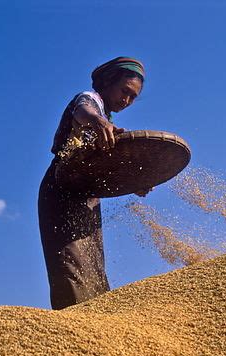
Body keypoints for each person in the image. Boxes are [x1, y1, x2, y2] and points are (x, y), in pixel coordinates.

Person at [38, 57, 147, 310]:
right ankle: (73, 333)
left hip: (87, 198)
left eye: (132, 97)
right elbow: (83, 111)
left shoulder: (107, 123)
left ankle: (96, 332)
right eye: (124, 91)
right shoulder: (90, 101)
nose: (127, 101)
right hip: (62, 190)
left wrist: (135, 182)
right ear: (108, 83)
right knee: (71, 267)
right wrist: (98, 120)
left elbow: (105, 173)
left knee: (93, 268)